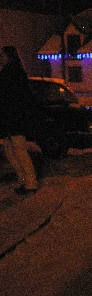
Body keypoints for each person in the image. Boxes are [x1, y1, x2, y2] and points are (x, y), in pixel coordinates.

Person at [0, 45, 38, 194]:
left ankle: (30, 183)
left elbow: (14, 99)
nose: (1, 58)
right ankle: (23, 180)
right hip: (11, 119)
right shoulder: (12, 73)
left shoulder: (13, 74)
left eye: (2, 55)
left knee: (19, 151)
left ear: (9, 57)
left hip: (14, 119)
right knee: (11, 151)